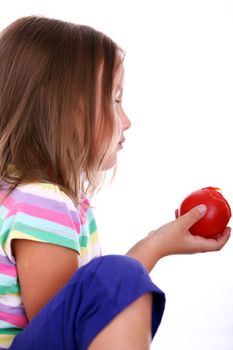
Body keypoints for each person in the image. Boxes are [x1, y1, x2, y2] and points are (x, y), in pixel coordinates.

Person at [0, 16, 230, 350]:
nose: (127, 121)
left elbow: (86, 307)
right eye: (114, 100)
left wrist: (157, 243)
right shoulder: (41, 199)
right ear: (63, 110)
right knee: (117, 276)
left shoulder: (28, 194)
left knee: (115, 277)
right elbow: (75, 327)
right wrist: (149, 250)